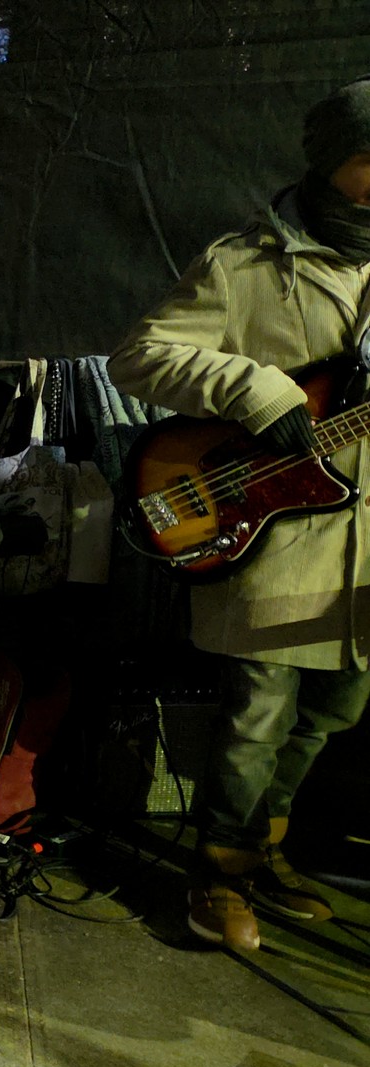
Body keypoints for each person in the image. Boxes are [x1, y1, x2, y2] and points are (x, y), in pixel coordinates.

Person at [107, 76, 370, 950]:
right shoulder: (246, 263)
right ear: (333, 163)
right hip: (272, 529)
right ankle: (217, 876)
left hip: (366, 546)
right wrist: (254, 388)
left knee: (335, 711)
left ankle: (263, 849)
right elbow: (140, 356)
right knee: (258, 717)